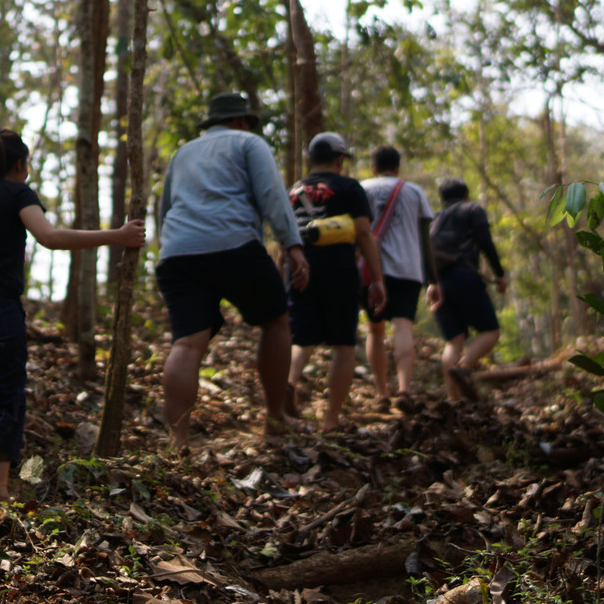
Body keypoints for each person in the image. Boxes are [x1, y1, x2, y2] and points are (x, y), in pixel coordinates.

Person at [0, 128, 145, 534]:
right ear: (19, 164)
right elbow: (49, 236)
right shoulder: (16, 194)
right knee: (1, 404)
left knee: (1, 399)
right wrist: (117, 236)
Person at [155, 92, 310, 449]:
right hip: (234, 244)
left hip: (178, 252)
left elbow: (165, 208)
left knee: (187, 343)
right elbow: (272, 194)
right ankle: (274, 418)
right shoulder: (248, 142)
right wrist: (293, 244)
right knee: (276, 321)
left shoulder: (183, 152)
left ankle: (176, 441)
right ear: (242, 121)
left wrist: (170, 248)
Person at [285, 132, 386, 431]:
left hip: (300, 268)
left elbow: (284, 237)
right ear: (339, 159)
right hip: (339, 268)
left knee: (302, 338)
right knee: (343, 344)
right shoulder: (349, 187)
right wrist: (377, 279)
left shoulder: (293, 190)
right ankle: (330, 420)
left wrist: (284, 276)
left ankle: (288, 384)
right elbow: (365, 233)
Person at [360, 145, 441, 409]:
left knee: (375, 329)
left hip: (371, 270)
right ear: (398, 166)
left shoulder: (362, 189)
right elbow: (425, 239)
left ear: (373, 167)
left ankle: (382, 392)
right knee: (403, 326)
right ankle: (404, 390)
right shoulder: (413, 191)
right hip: (407, 268)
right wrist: (433, 280)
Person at [426, 178, 508, 402]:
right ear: (465, 195)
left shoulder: (434, 219)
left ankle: (454, 401)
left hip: (439, 283)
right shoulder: (472, 209)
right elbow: (485, 241)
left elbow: (425, 253)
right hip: (464, 277)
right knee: (490, 331)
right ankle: (464, 367)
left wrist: (430, 283)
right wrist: (499, 274)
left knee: (454, 340)